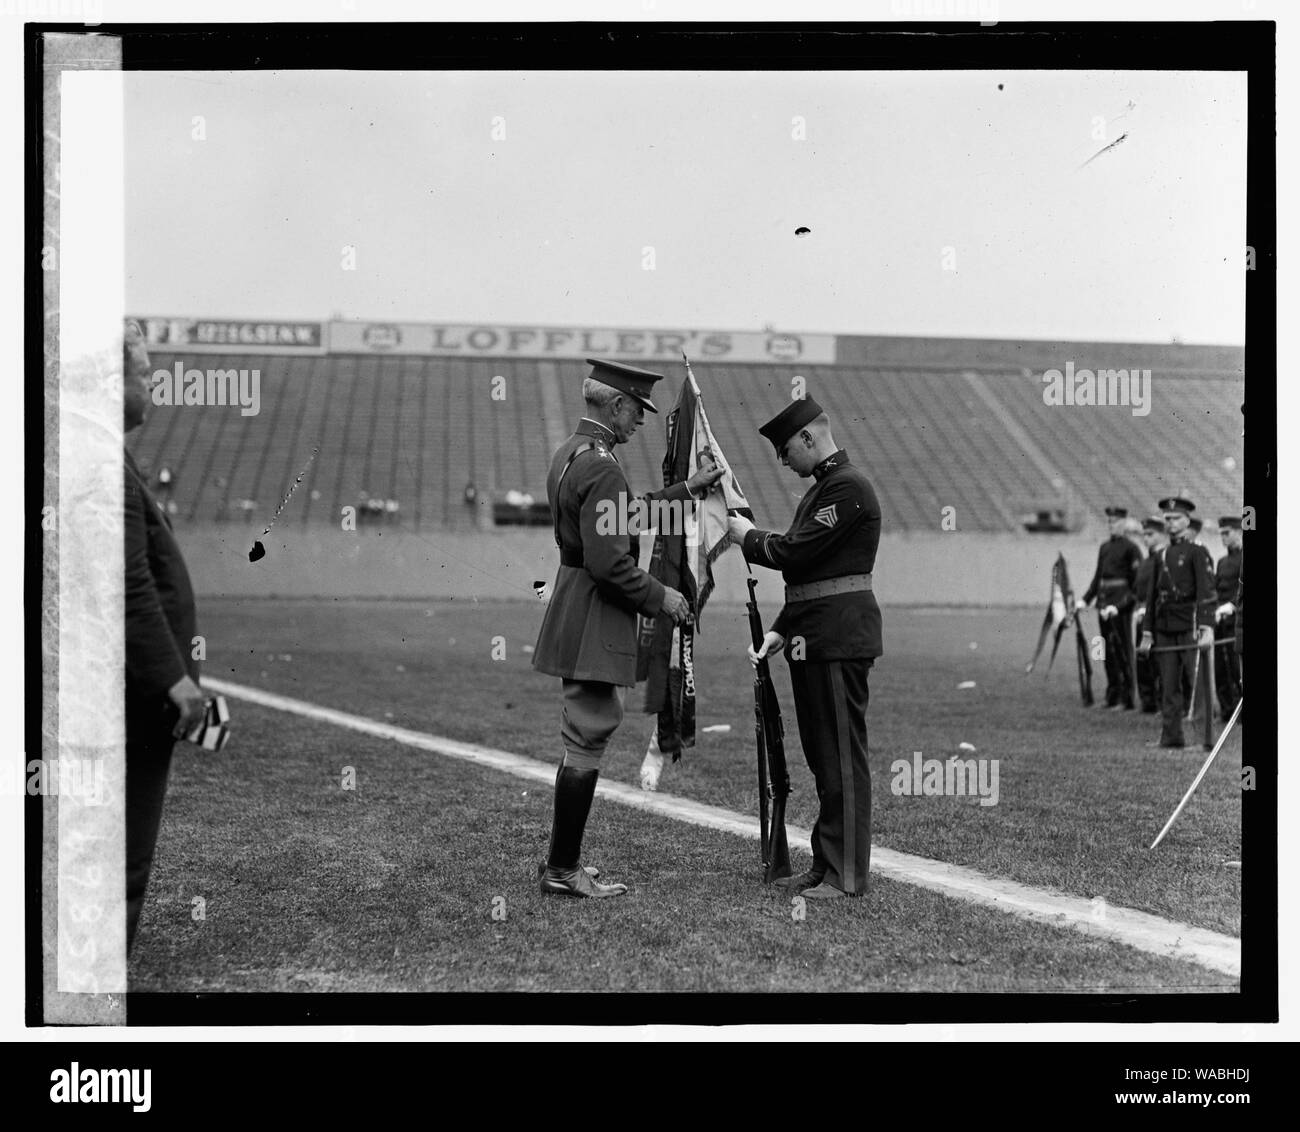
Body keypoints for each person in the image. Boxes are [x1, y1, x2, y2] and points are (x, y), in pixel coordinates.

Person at [532, 359, 723, 898]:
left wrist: (686, 489)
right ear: (616, 405)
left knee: (585, 729)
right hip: (594, 609)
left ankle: (561, 864)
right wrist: (664, 597)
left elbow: (625, 518)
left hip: (576, 603)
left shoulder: (573, 454)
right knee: (590, 728)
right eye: (637, 410)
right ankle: (563, 870)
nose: (640, 420)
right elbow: (611, 563)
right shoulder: (604, 467)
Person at [727, 397, 882, 900]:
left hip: (837, 639)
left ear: (810, 438)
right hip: (812, 635)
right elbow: (811, 575)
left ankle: (846, 875)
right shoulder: (824, 491)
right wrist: (780, 627)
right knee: (823, 758)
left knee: (840, 758)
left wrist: (746, 537)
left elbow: (796, 553)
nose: (783, 460)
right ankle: (825, 864)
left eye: (786, 449)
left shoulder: (847, 488)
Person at [123, 319, 207, 951]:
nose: (153, 382)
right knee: (124, 858)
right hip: (132, 695)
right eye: (143, 371)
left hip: (127, 689)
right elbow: (127, 587)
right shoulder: (103, 465)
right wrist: (172, 676)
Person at [1137, 493, 1217, 750]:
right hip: (1165, 627)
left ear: (1187, 520)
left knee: (1197, 685)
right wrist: (1147, 633)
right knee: (1169, 684)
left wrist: (1207, 628)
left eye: (1176, 518)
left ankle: (1203, 739)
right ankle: (1171, 736)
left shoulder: (1197, 552)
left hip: (1190, 625)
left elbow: (1206, 592)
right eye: (1167, 518)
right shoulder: (1161, 556)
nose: (1171, 523)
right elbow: (1151, 598)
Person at [1077, 506, 1140, 710]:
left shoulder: (1131, 548)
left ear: (1124, 523)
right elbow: (1098, 578)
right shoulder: (1104, 547)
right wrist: (1085, 600)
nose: (1111, 525)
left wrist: (1121, 605)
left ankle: (1127, 697)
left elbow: (1136, 584)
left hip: (1120, 607)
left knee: (1122, 651)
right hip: (1103, 604)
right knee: (1104, 652)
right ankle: (1112, 694)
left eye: (1115, 522)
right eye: (1109, 522)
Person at [1132, 514, 1167, 714]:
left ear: (1161, 535)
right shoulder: (1145, 562)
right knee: (1142, 659)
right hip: (1141, 615)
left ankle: (1162, 702)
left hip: (1156, 616)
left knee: (1159, 662)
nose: (1146, 538)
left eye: (1150, 534)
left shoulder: (1163, 559)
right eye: (1144, 535)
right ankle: (1147, 701)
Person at [1214, 515, 1243, 719]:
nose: (1223, 537)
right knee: (1220, 668)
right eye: (1221, 533)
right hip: (1220, 620)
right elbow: (1217, 589)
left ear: (1239, 532)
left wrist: (1231, 606)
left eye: (1227, 533)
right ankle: (1226, 710)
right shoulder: (1222, 562)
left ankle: (1240, 713)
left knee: (1236, 668)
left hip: (1236, 620)